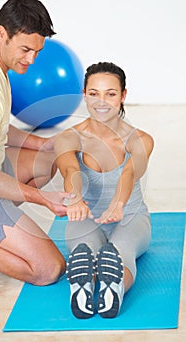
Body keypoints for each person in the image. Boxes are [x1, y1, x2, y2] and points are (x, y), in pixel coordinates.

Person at [0, 0, 75, 286]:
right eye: (25, 49)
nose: (31, 59)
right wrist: (43, 199)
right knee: (48, 269)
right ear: (2, 34)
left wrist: (44, 143)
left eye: (37, 51)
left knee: (44, 162)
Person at [54, 61, 154, 319]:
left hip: (130, 218)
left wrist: (118, 204)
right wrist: (75, 199)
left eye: (110, 94)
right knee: (84, 249)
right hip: (85, 218)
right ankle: (83, 285)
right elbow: (70, 171)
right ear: (84, 95)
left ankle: (113, 289)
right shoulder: (68, 137)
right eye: (94, 93)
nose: (101, 102)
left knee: (121, 251)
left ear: (123, 96)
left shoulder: (141, 139)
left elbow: (130, 173)